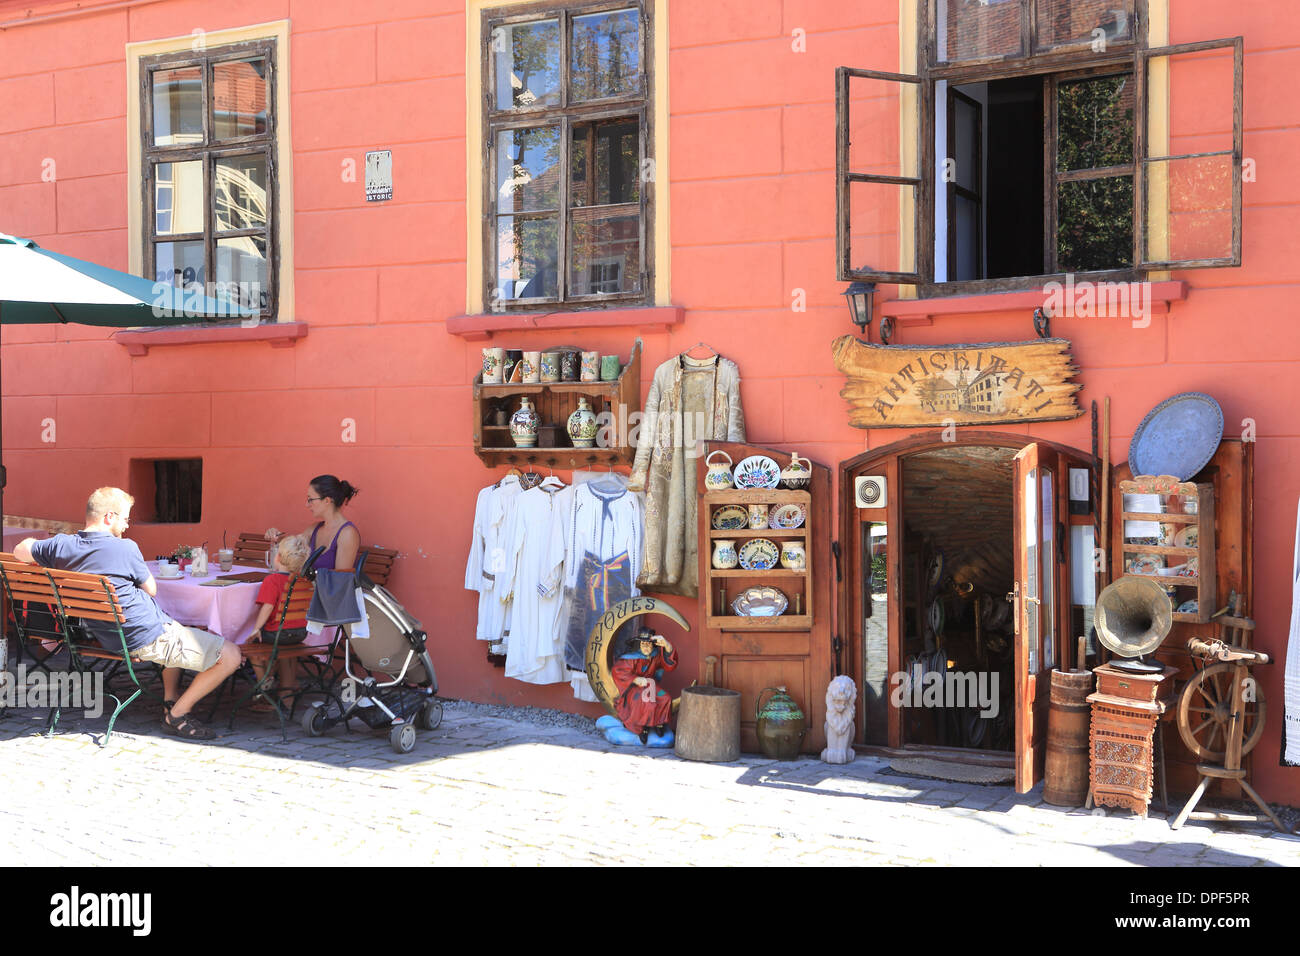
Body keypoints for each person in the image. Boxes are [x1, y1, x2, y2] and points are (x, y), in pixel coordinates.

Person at [13, 487, 241, 740]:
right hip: (143, 634)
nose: (126, 526)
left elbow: (20, 550)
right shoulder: (125, 548)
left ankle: (169, 698)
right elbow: (151, 588)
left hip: (110, 635)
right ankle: (177, 714)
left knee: (180, 628)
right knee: (231, 654)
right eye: (124, 518)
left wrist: (40, 547)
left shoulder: (62, 546)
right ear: (109, 517)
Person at [246, 533, 311, 710]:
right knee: (287, 653)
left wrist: (256, 629)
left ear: (279, 558)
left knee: (251, 648)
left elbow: (267, 607)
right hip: (299, 633)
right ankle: (287, 699)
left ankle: (264, 680)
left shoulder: (272, 580)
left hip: (276, 634)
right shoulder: (304, 580)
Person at [266, 475, 361, 573]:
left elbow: (340, 580)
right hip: (307, 587)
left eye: (310, 499)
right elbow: (293, 550)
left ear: (326, 501)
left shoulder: (347, 534)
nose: (307, 505)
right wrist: (277, 538)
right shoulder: (314, 529)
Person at [611, 627, 677, 743]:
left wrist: (667, 645)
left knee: (665, 697)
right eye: (643, 644)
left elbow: (669, 665)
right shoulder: (630, 658)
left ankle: (659, 723)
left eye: (649, 644)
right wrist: (635, 679)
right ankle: (642, 728)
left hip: (650, 685)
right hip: (634, 688)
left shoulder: (655, 656)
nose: (646, 647)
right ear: (638, 644)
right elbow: (618, 671)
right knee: (647, 702)